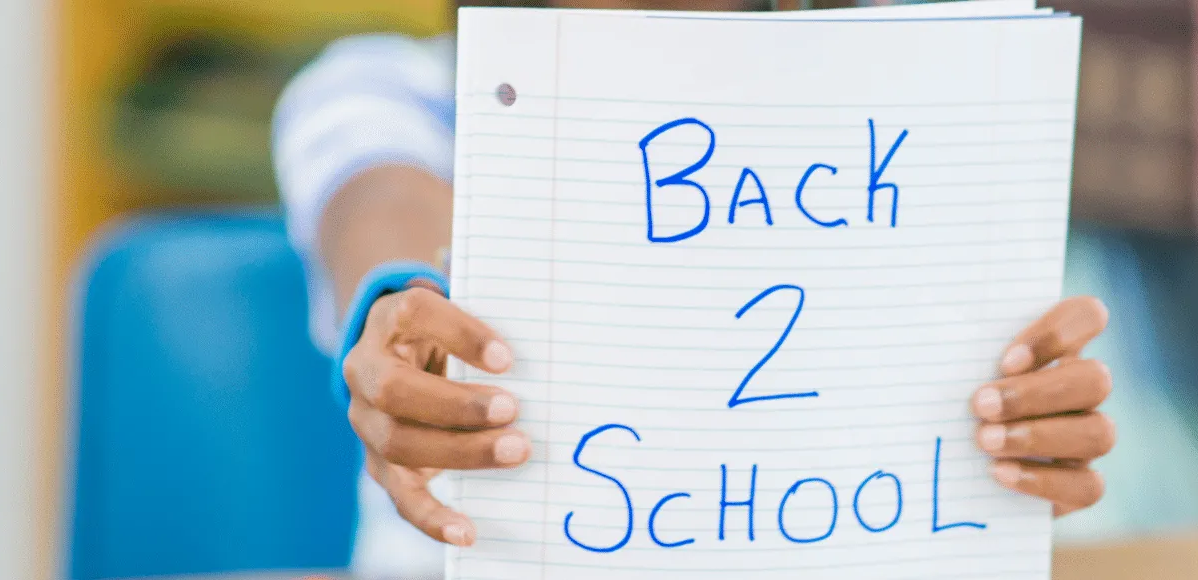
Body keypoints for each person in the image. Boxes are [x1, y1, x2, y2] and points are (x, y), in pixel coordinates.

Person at [273, 1, 1118, 576]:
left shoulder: (893, 124)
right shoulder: (388, 88)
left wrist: (1009, 451)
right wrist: (401, 299)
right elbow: (378, 195)